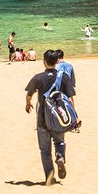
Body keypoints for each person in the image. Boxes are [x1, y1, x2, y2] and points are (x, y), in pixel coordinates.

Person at [25, 50, 79, 185]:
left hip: (43, 119)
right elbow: (71, 99)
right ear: (57, 62)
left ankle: (50, 175)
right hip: (59, 118)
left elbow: (29, 94)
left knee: (45, 150)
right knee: (59, 142)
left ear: (44, 61)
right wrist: (74, 117)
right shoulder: (64, 77)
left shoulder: (38, 77)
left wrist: (28, 104)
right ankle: (60, 157)